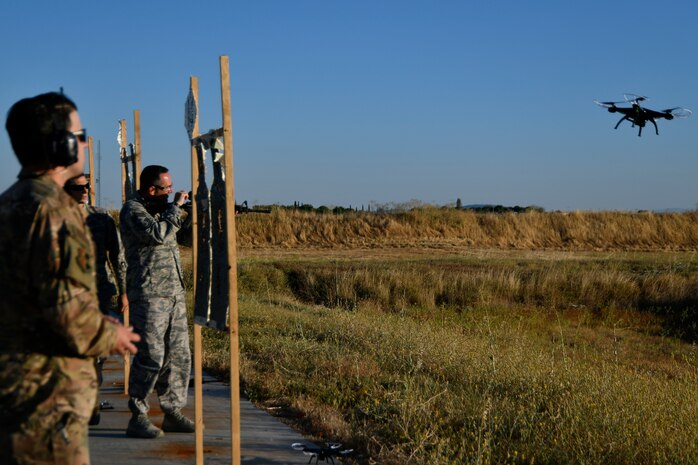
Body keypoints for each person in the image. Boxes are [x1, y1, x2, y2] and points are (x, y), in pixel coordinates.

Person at [0, 92, 140, 464]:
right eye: (80, 135)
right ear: (59, 145)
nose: (83, 143)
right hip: (48, 402)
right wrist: (113, 333)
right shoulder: (56, 212)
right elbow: (69, 315)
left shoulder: (11, 202)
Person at [120, 165, 194, 438]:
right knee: (151, 356)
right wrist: (176, 207)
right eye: (167, 189)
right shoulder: (133, 210)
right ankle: (138, 415)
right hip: (149, 295)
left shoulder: (162, 211)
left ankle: (172, 411)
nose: (172, 192)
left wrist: (197, 215)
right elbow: (157, 234)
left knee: (178, 355)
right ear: (151, 189)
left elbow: (179, 235)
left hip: (174, 293)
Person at [64, 174, 129, 425]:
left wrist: (123, 291)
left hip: (98, 293)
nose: (84, 191)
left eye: (87, 186)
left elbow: (117, 256)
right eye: (78, 187)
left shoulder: (102, 219)